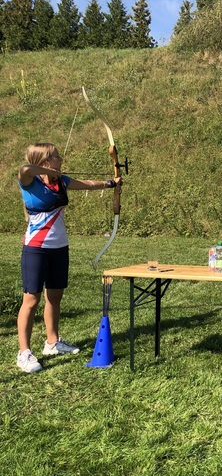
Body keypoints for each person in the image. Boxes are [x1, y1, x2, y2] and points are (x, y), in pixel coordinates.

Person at [16, 143, 122, 373]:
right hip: (36, 248)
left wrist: (110, 183)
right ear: (45, 161)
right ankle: (24, 352)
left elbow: (87, 184)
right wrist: (47, 172)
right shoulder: (30, 181)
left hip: (59, 247)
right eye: (56, 156)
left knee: (55, 296)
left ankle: (52, 342)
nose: (61, 159)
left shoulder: (61, 181)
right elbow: (25, 169)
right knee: (31, 300)